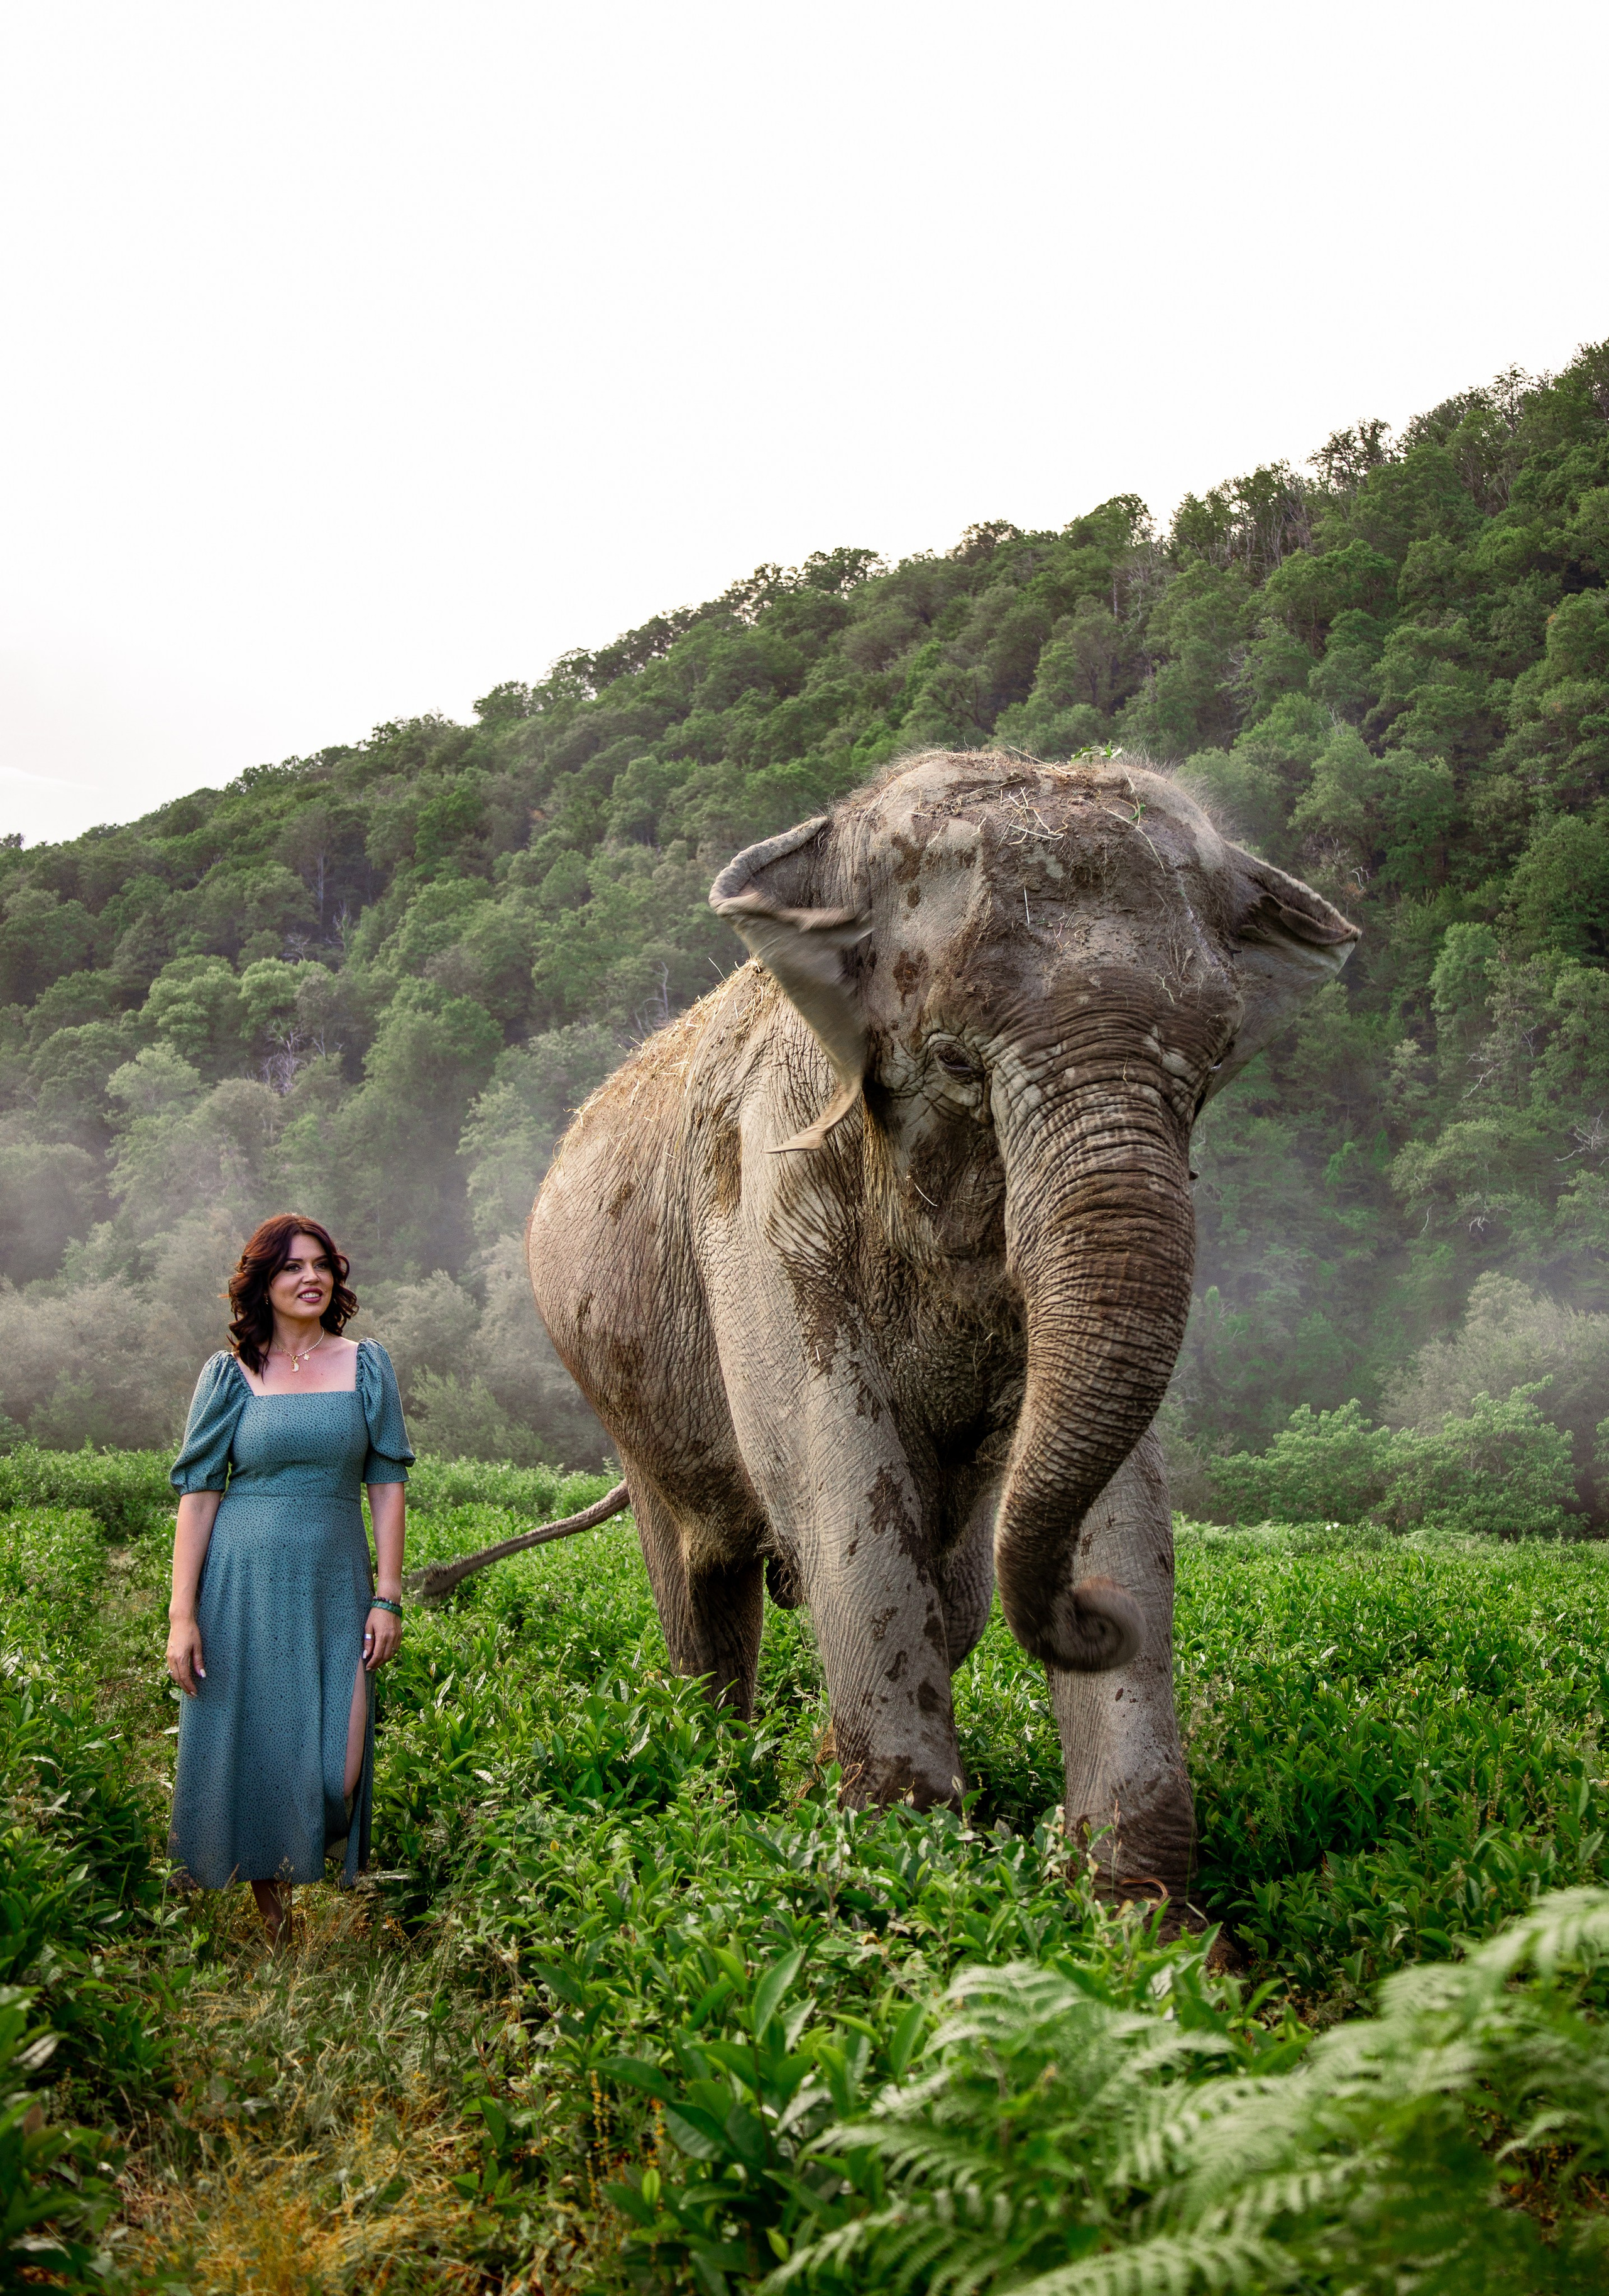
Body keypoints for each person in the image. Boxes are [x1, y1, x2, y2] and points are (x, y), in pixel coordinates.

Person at [165, 1214, 412, 1945]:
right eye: (290, 1267)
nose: (310, 1278)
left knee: (339, 1770)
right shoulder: (230, 1372)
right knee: (250, 1739)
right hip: (240, 1579)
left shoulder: (367, 1365)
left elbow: (387, 1483)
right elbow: (199, 1495)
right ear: (263, 1285)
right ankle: (273, 1919)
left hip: (335, 1579)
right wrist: (183, 1616)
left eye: (321, 1265)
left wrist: (387, 1595)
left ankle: (310, 1849)